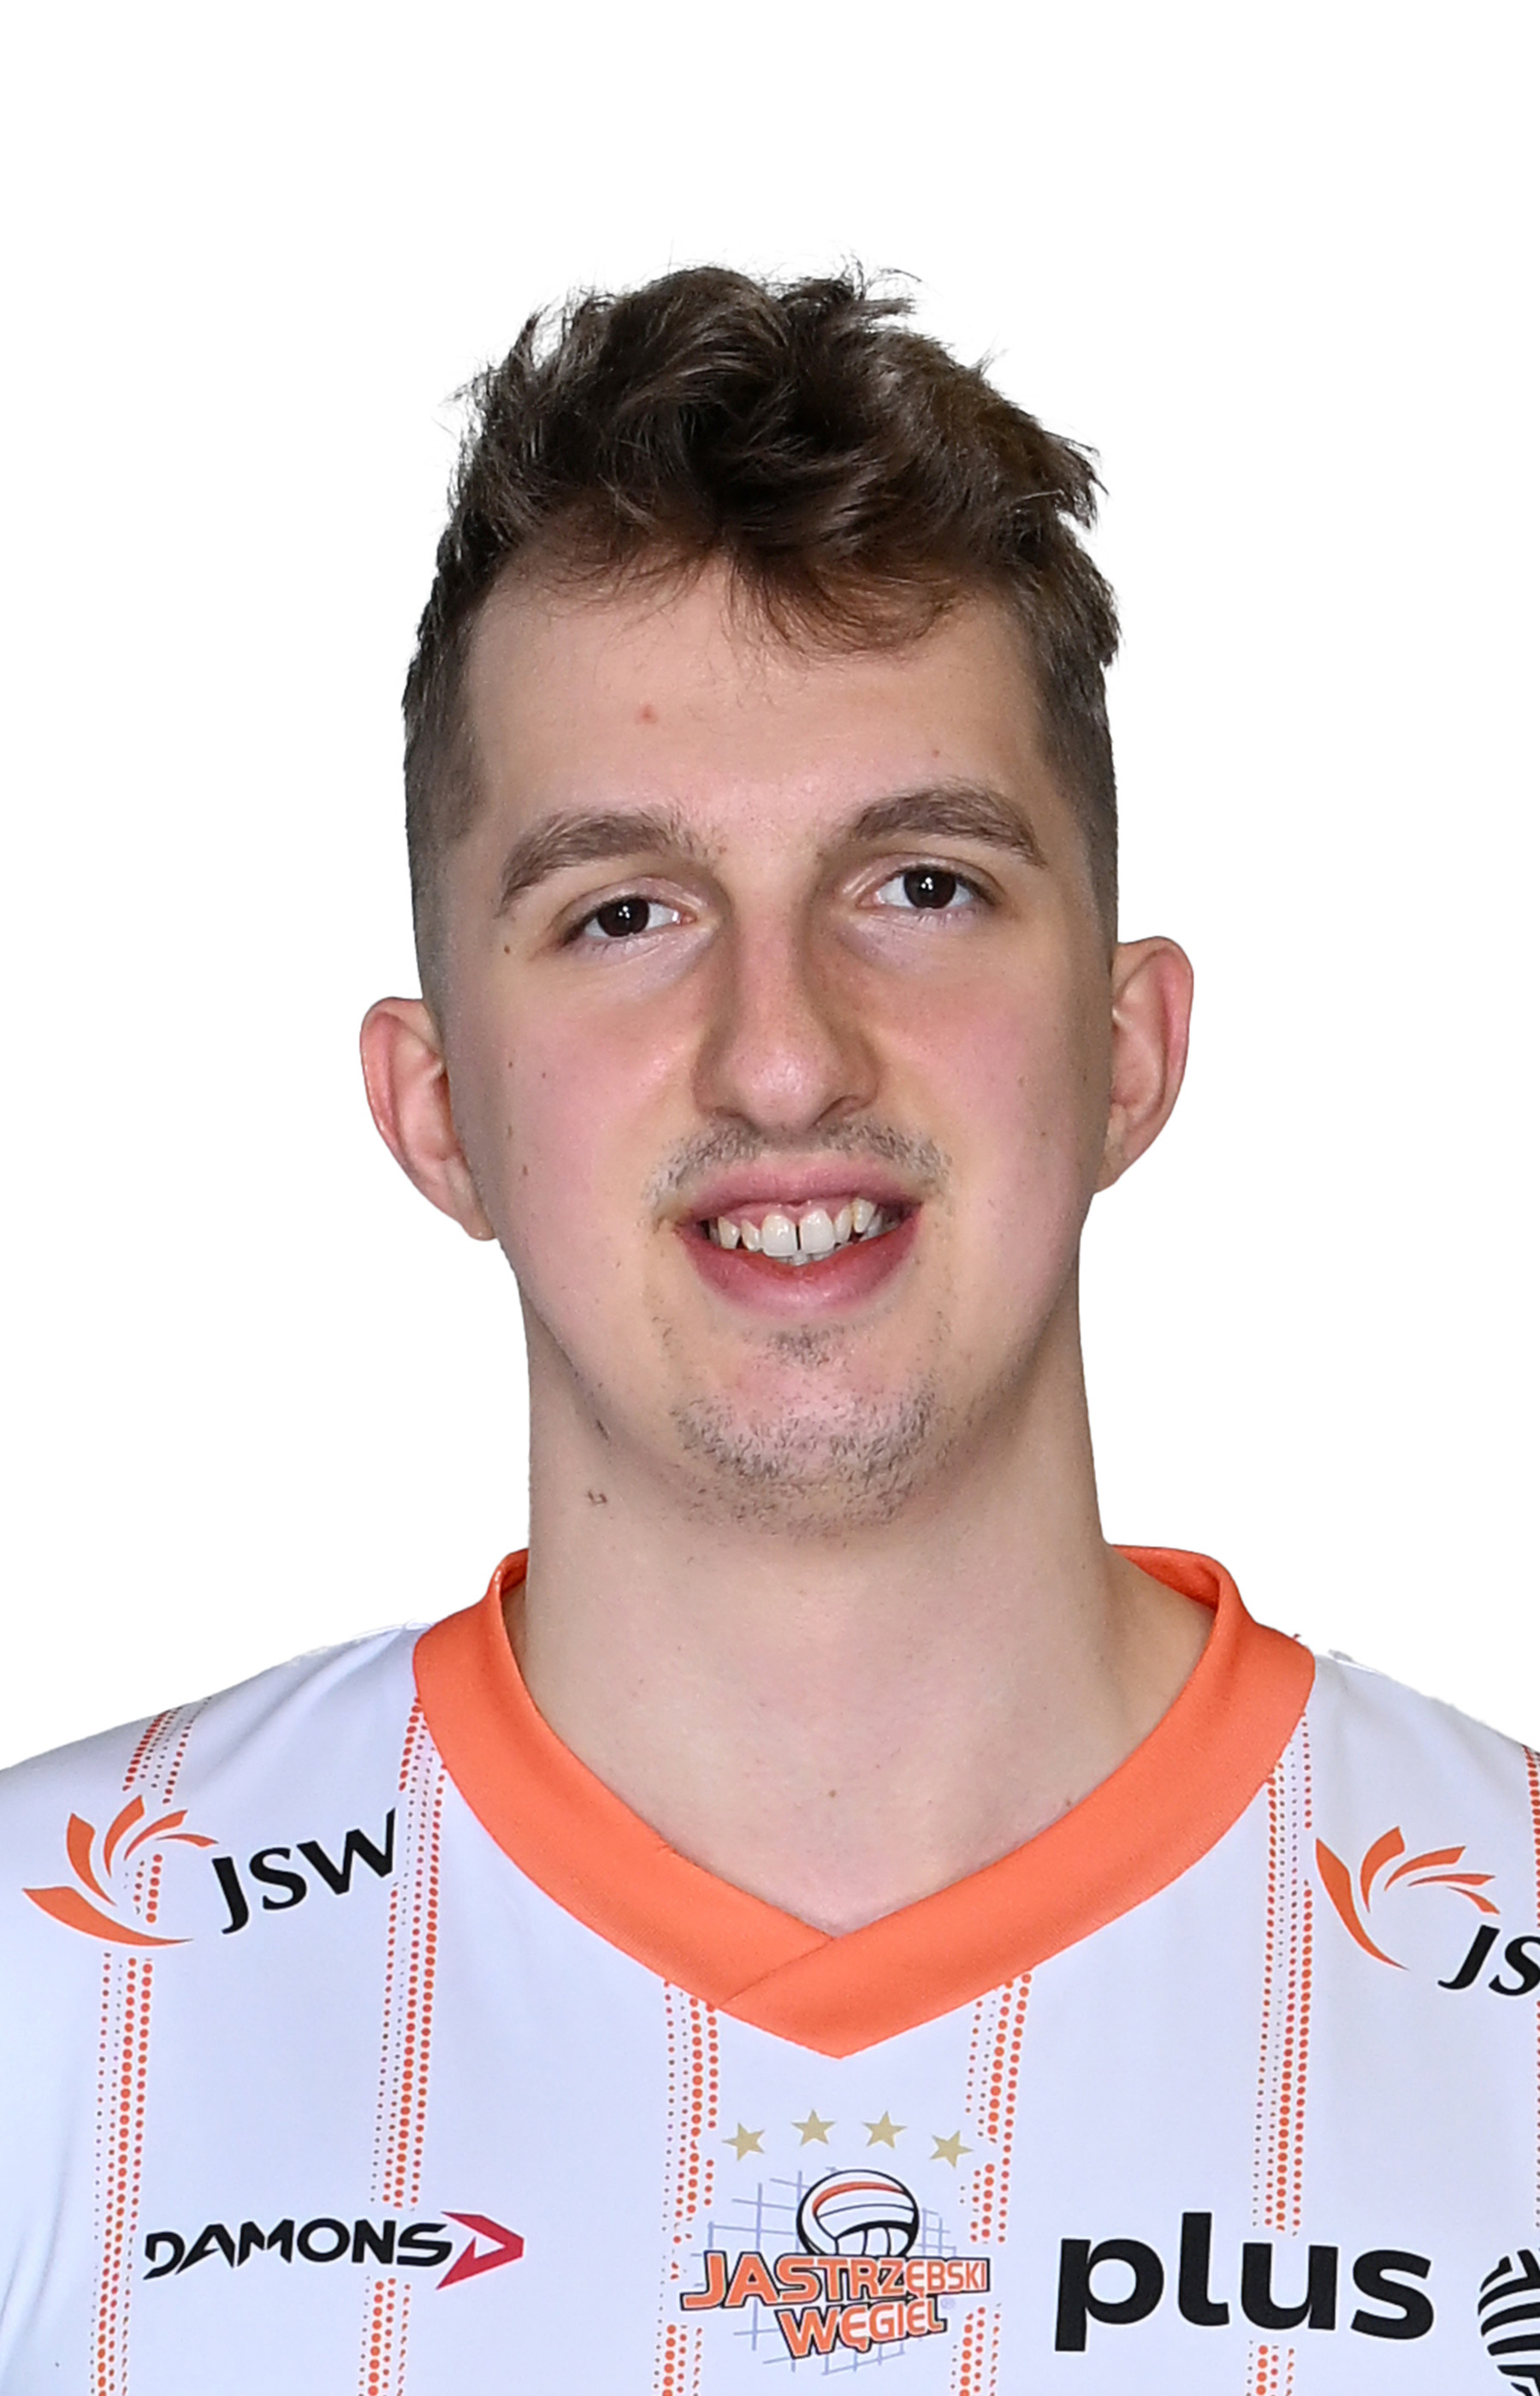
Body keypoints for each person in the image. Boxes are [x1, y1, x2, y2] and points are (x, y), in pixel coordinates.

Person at [1, 268, 1534, 2396]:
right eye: (624, 912)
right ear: (435, 1111)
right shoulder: (50, 2001)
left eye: (921, 883)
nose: (786, 1053)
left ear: (1127, 1051)